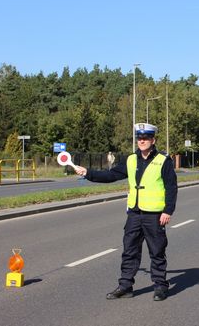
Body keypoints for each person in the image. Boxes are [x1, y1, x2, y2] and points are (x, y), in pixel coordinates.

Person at [74, 123, 178, 301]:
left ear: (153, 140)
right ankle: (125, 286)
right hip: (134, 214)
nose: (142, 141)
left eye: (145, 138)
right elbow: (111, 175)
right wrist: (88, 173)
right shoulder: (131, 160)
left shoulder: (163, 160)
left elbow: (171, 187)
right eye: (139, 138)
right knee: (129, 250)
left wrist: (167, 211)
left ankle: (160, 286)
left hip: (154, 215)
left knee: (157, 251)